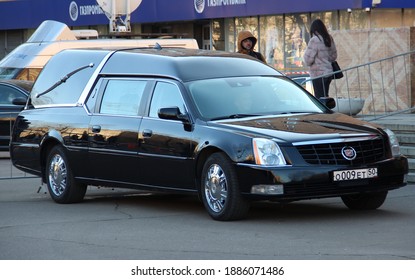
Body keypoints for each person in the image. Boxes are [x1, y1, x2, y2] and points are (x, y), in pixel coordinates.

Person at [303, 19, 338, 98]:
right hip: (328, 72)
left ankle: (324, 111)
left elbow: (308, 60)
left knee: (319, 98)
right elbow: (334, 56)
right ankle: (327, 110)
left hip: (318, 74)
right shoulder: (329, 38)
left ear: (314, 30)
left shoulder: (314, 40)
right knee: (325, 96)